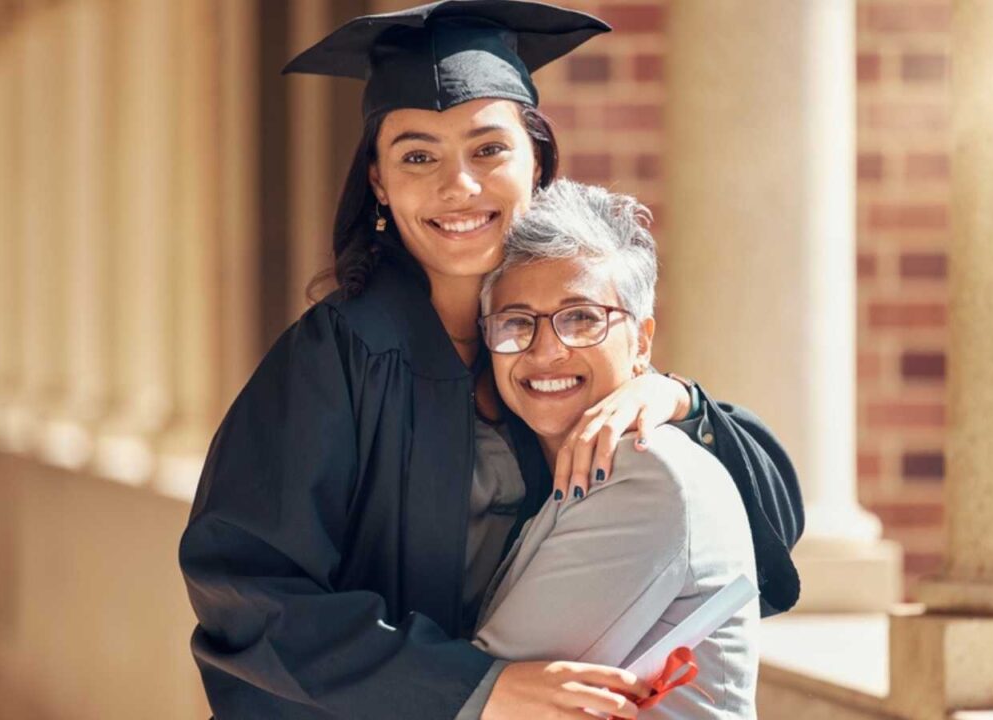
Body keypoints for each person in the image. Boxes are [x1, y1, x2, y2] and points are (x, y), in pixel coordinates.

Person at [178, 2, 802, 718]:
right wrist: (473, 688)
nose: (459, 187)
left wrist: (677, 400)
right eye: (418, 156)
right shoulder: (338, 357)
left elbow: (762, 521)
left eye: (488, 150)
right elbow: (248, 590)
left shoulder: (555, 340)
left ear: (537, 162)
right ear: (379, 183)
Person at [473, 179, 758, 719]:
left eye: (581, 318)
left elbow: (490, 694)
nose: (547, 349)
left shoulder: (648, 472)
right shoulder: (544, 473)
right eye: (516, 323)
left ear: (642, 342)